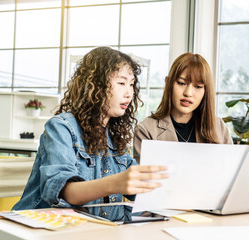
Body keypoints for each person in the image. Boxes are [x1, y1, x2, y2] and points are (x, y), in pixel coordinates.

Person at [12, 47, 168, 221]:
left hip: (96, 230)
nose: (129, 93)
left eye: (131, 84)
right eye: (121, 83)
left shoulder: (116, 138)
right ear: (96, 85)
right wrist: (117, 183)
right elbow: (66, 193)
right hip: (42, 228)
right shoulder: (61, 127)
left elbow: (140, 191)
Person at [133, 53, 233, 163]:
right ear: (168, 83)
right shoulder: (146, 130)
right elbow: (143, 177)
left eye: (198, 87)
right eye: (181, 83)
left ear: (206, 91)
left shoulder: (219, 128)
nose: (188, 93)